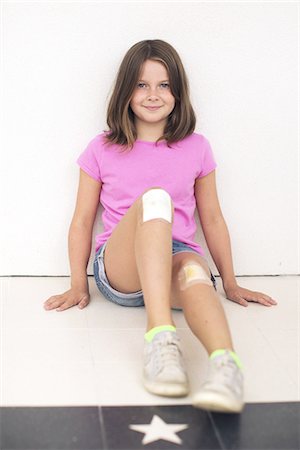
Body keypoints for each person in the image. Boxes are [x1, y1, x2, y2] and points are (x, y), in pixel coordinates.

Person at [44, 39, 277, 413]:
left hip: (173, 262)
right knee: (156, 200)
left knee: (193, 271)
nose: (153, 95)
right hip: (122, 268)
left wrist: (229, 282)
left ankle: (225, 368)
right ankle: (160, 339)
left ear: (177, 93)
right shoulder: (102, 148)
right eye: (142, 85)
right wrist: (77, 283)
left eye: (164, 85)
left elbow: (212, 218)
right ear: (126, 92)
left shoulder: (197, 147)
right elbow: (83, 220)